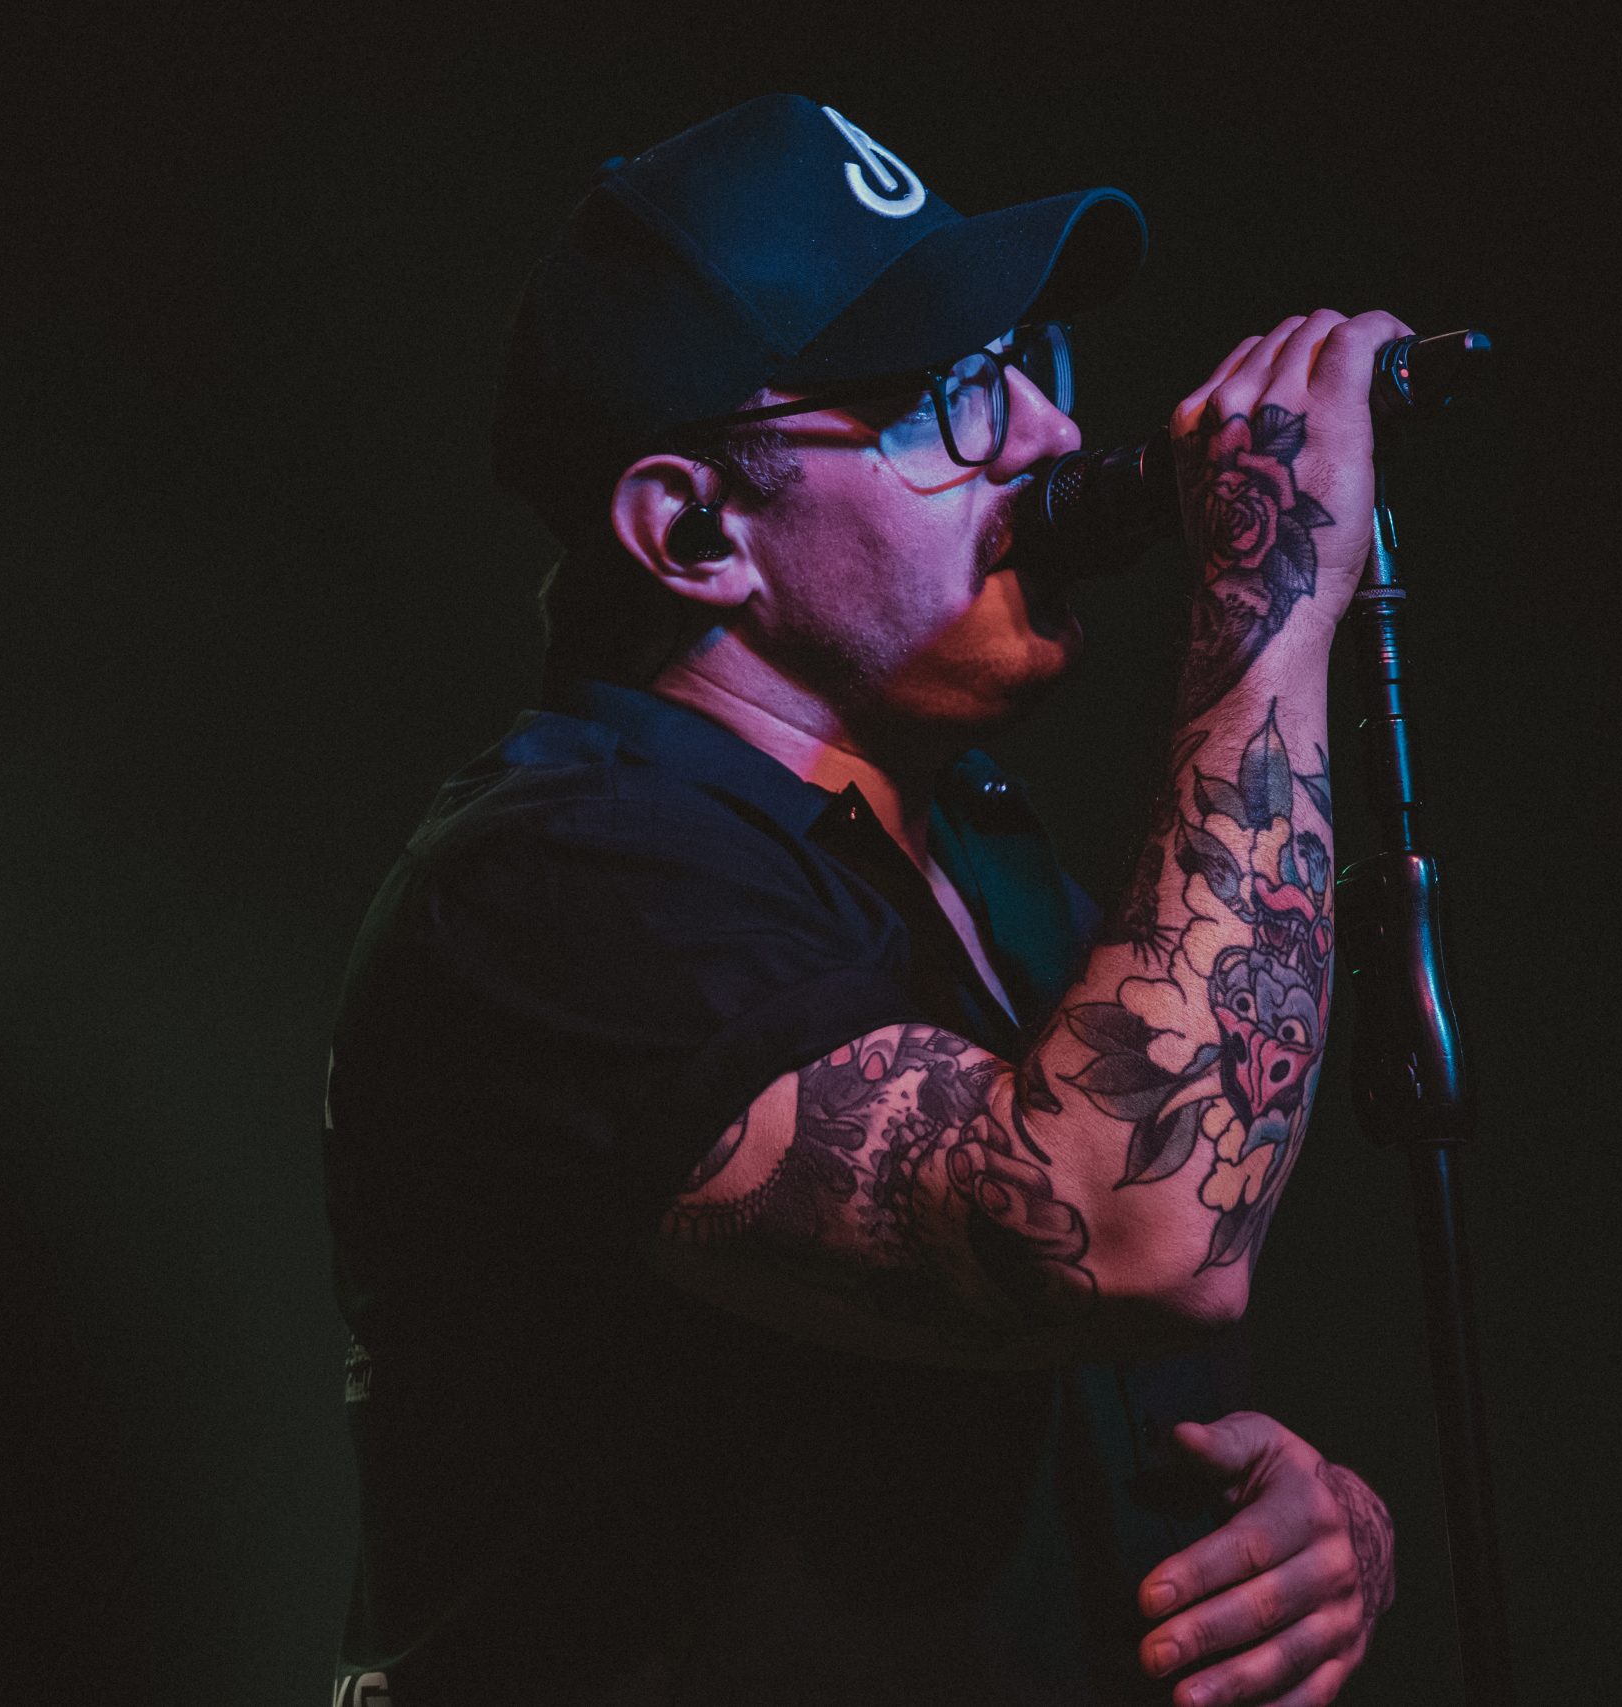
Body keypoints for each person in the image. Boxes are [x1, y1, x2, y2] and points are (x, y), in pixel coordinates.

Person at [322, 94, 1404, 1706]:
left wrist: (1319, 1529)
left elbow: (1075, 1349)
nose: (1045, 434)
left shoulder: (972, 845)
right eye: (948, 400)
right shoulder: (564, 881)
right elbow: (1123, 1228)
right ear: (695, 528)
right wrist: (1275, 595)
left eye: (1026, 365)